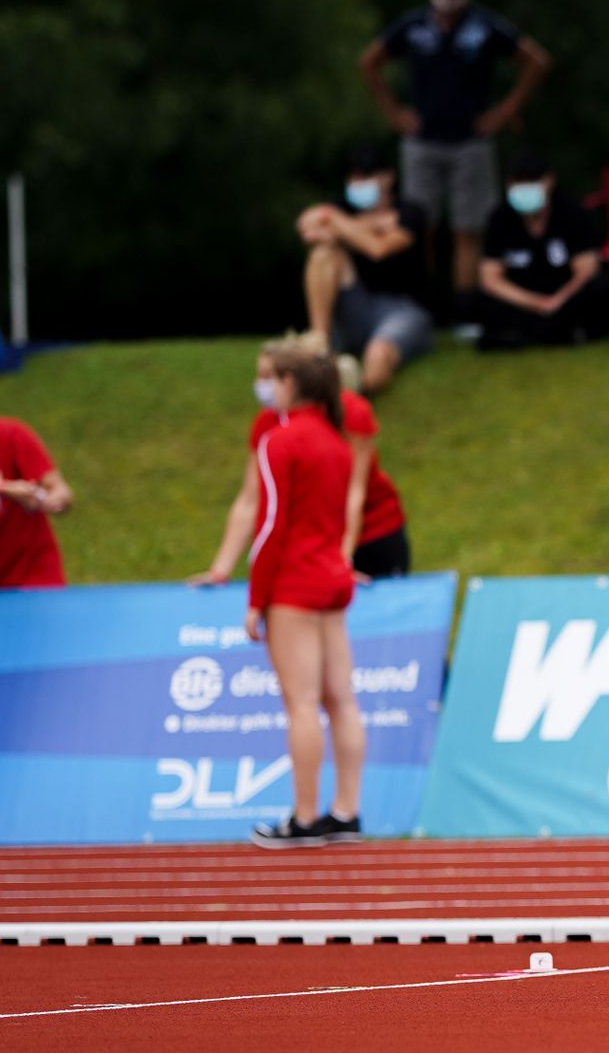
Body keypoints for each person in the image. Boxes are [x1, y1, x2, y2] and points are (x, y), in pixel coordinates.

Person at [359, 0, 554, 296]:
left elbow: (537, 61)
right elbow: (369, 61)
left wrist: (506, 110)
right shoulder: (414, 26)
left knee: (470, 228)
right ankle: (424, 306)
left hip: (471, 141)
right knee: (421, 227)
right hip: (422, 140)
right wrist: (392, 110)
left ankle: (466, 309)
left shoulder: (486, 27)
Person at [241, 345, 366, 848]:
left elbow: (271, 524)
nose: (267, 387)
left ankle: (306, 816)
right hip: (331, 580)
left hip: (295, 583)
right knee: (342, 701)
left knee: (302, 704)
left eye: (272, 378)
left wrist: (256, 596)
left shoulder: (281, 440)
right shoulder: (338, 442)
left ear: (290, 382)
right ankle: (347, 811)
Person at [192, 337, 411, 590]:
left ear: (291, 380)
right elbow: (250, 500)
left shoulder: (350, 414)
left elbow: (352, 492)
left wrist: (341, 561)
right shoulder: (268, 425)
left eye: (268, 377)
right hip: (316, 548)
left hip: (372, 535)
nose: (262, 385)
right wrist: (220, 571)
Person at [298, 144, 433, 394]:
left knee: (379, 354)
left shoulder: (411, 212)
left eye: (367, 176)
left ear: (388, 177)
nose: (359, 183)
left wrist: (335, 220)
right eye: (354, 177)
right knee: (324, 254)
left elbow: (378, 249)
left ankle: (355, 395)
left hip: (404, 309)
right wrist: (373, 223)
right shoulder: (343, 207)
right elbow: (307, 227)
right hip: (357, 306)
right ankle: (319, 347)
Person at [475, 152, 609, 348]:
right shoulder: (499, 218)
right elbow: (490, 278)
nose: (525, 187)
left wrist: (557, 300)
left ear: (549, 181)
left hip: (565, 295)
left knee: (600, 292)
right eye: (519, 181)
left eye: (532, 180)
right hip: (521, 298)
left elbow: (587, 269)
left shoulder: (572, 212)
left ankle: (547, 332)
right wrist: (536, 303)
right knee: (476, 301)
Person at [0, 416, 73, 589]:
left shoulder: (11, 434)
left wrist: (52, 499)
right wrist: (3, 487)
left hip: (32, 576)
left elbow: (60, 490)